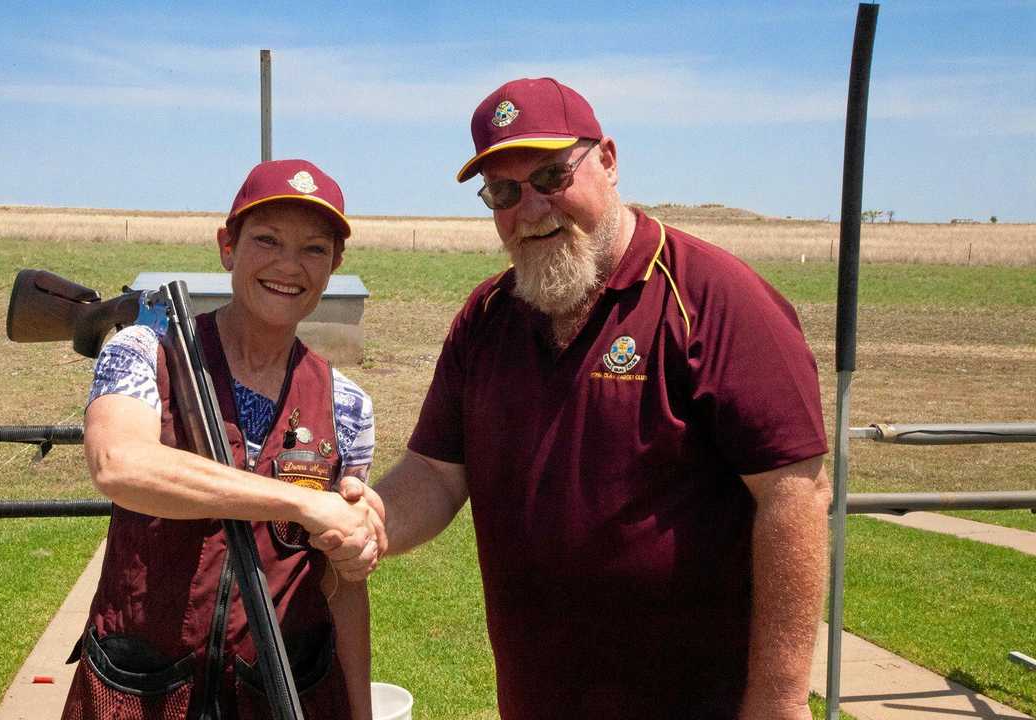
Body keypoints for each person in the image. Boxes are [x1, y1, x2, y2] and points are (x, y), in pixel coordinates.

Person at [320, 78, 832, 719]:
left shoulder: (714, 300)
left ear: (608, 161)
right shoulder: (487, 317)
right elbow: (435, 473)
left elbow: (795, 495)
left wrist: (780, 702)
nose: (530, 208)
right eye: (503, 192)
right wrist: (364, 523)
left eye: (550, 176)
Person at [64, 159, 382, 720]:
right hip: (140, 691)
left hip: (280, 695)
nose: (290, 265)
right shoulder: (148, 352)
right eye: (266, 240)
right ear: (226, 246)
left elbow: (341, 585)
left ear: (335, 264)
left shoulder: (346, 404)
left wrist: (360, 711)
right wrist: (301, 500)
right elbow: (120, 465)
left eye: (314, 249)